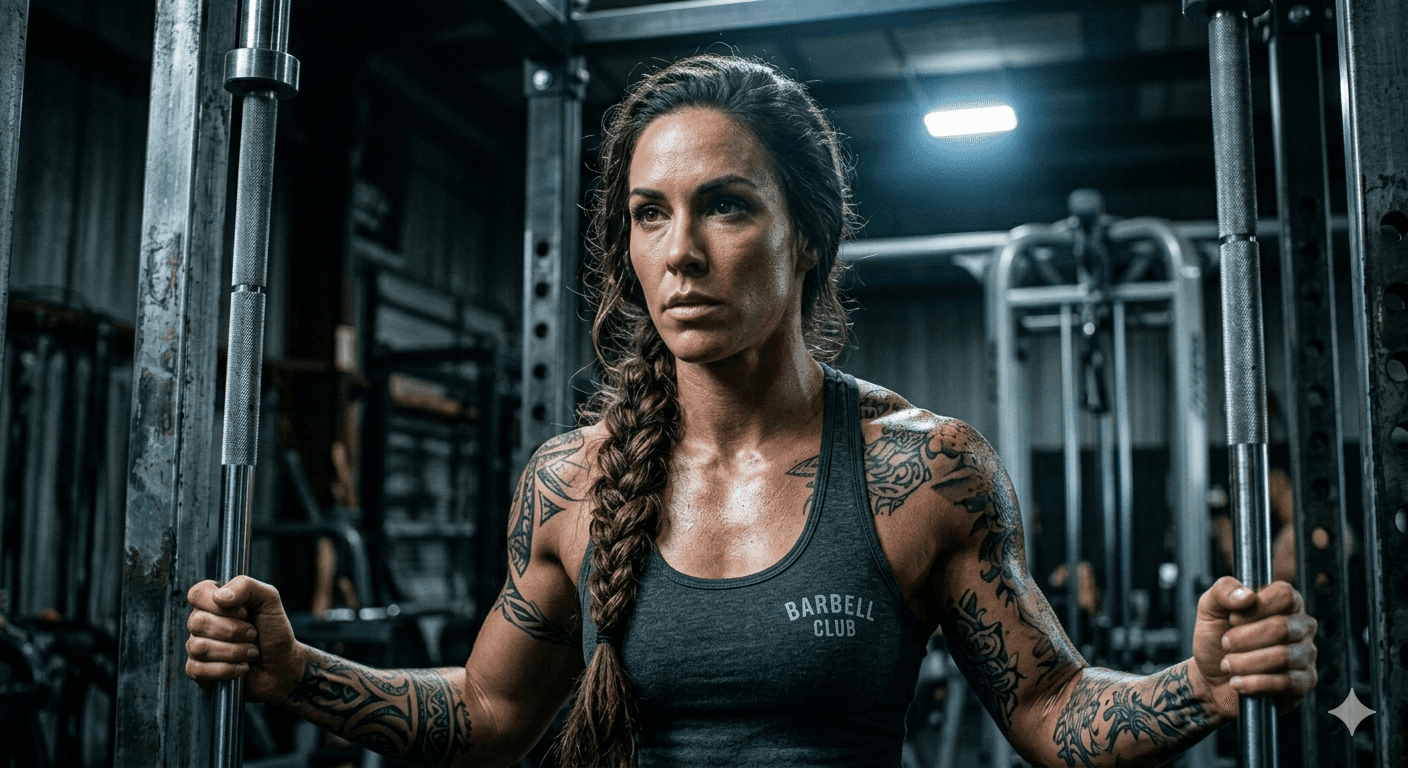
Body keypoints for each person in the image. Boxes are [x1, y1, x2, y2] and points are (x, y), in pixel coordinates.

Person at [185, 54, 1318, 768]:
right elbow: (488, 714)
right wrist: (295, 673)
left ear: (807, 237)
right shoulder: (571, 483)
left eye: (724, 206)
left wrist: (1197, 687)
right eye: (649, 215)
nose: (680, 252)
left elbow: (1050, 708)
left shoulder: (922, 472)